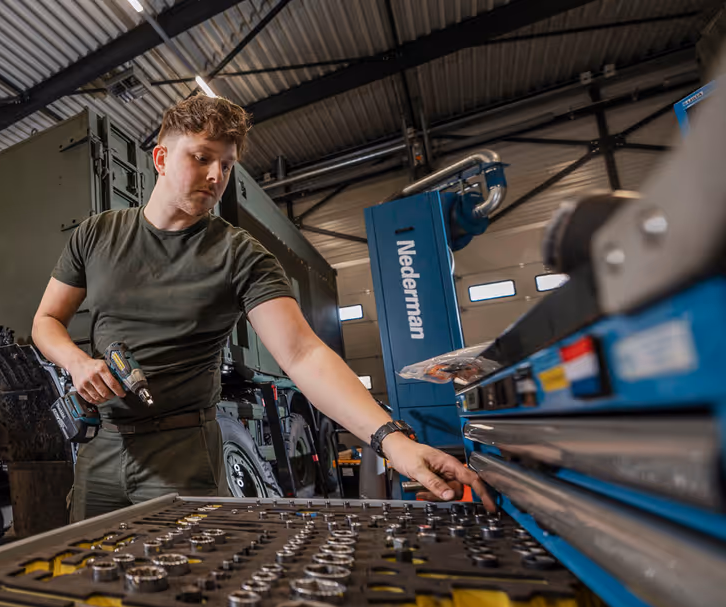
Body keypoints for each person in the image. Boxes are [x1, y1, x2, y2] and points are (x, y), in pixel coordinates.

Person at [31, 95, 494, 521]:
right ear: (161, 159)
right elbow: (46, 320)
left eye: (226, 165)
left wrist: (392, 440)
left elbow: (302, 355)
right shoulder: (97, 234)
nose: (216, 176)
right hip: (101, 446)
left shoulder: (239, 255)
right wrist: (76, 361)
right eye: (202, 158)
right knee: (90, 576)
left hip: (184, 449)